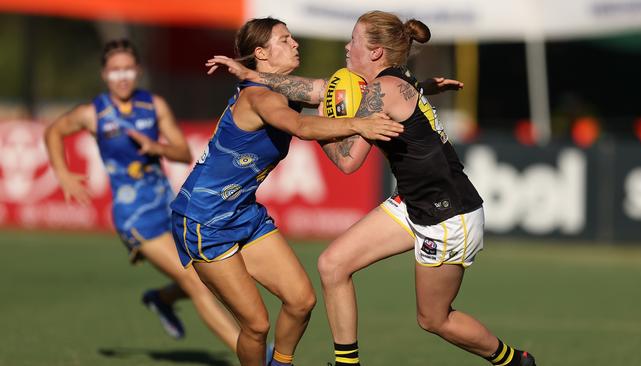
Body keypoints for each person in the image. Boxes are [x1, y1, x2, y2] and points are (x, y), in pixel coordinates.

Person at [206, 11, 537, 366]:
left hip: (447, 215)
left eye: (354, 41)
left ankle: (514, 361)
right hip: (415, 203)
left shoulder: (382, 89)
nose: (347, 47)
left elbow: (347, 161)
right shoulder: (384, 83)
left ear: (376, 53)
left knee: (434, 319)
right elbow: (315, 89)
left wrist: (312, 126)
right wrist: (255, 76)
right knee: (333, 265)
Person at [170, 17, 403, 366]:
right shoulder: (259, 98)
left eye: (291, 37)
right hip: (204, 219)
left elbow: (334, 91)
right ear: (261, 53)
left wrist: (418, 87)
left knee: (301, 300)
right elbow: (299, 125)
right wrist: (358, 124)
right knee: (256, 324)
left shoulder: (284, 87)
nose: (295, 43)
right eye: (284, 39)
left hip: (242, 213)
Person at [43, 39, 240, 351]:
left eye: (127, 69)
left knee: (208, 274)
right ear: (104, 74)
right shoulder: (93, 113)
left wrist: (155, 147)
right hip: (133, 216)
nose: (121, 76)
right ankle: (257, 355)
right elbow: (54, 130)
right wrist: (62, 172)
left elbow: (181, 152)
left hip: (167, 203)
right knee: (193, 280)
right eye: (114, 70)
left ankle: (160, 299)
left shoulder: (154, 105)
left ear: (138, 71)